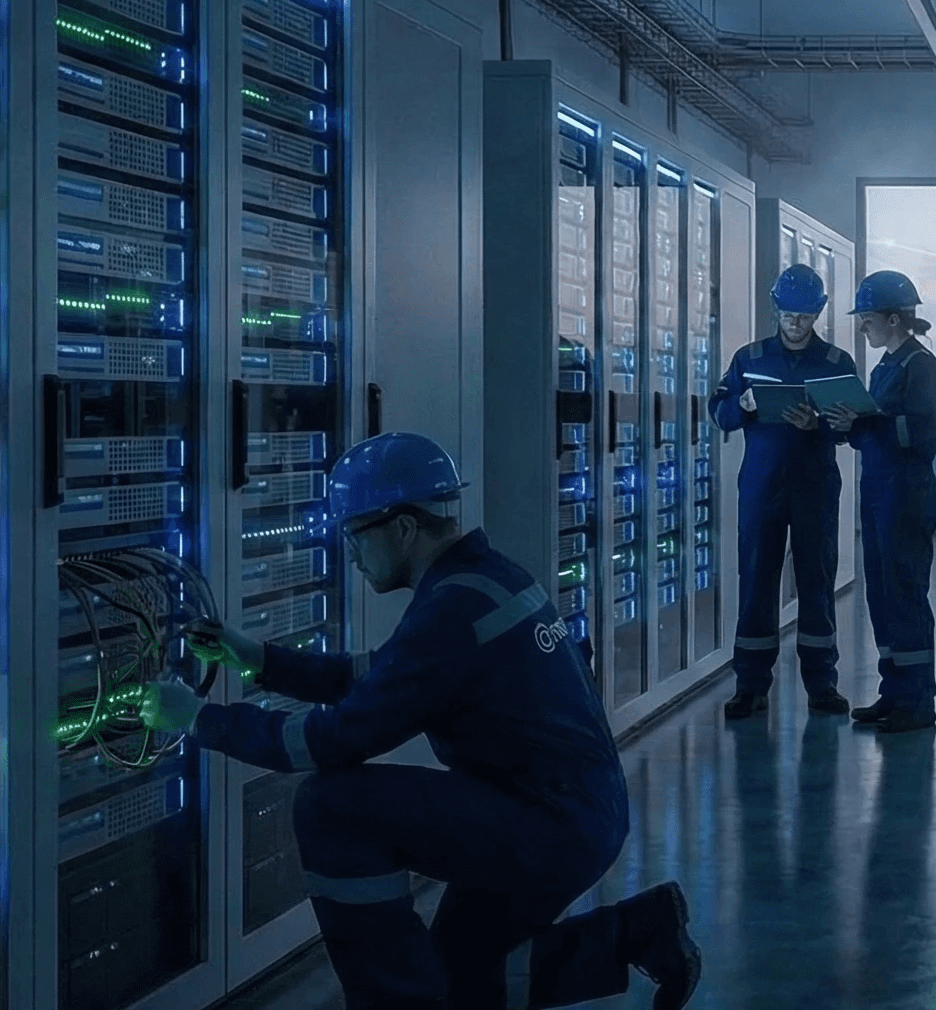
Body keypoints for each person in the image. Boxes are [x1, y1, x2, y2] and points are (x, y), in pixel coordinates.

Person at [136, 432, 701, 1010]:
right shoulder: (483, 578)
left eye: (356, 535)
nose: (351, 556)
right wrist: (258, 659)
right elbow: (382, 675)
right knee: (459, 976)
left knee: (330, 808)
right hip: (575, 809)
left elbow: (333, 741)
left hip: (550, 822)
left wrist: (199, 719)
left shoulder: (453, 608)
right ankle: (639, 932)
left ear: (403, 527)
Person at [711, 264, 860, 720]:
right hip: (762, 485)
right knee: (756, 580)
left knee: (817, 581)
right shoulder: (749, 358)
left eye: (805, 316)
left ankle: (822, 686)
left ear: (818, 313)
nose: (796, 324)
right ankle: (750, 686)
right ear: (776, 309)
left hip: (814, 486)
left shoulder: (837, 364)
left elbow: (852, 426)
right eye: (789, 315)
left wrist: (819, 423)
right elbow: (718, 412)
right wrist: (743, 404)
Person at [829, 269, 936, 733]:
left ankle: (918, 702)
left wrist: (869, 424)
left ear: (895, 319)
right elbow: (875, 430)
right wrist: (849, 425)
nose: (863, 327)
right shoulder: (885, 367)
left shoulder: (921, 367)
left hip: (906, 495)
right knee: (881, 593)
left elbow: (921, 433)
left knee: (905, 594)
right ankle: (893, 691)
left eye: (868, 318)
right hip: (878, 492)